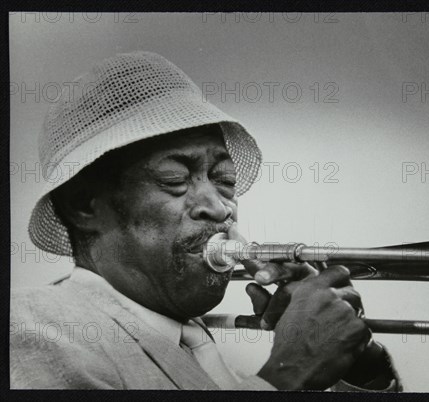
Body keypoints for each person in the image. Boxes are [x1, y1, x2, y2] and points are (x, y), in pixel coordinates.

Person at [10, 51, 401, 391]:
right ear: (84, 205)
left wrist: (359, 362)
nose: (219, 208)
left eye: (224, 180)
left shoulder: (207, 356)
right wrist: (288, 373)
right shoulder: (32, 329)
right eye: (175, 180)